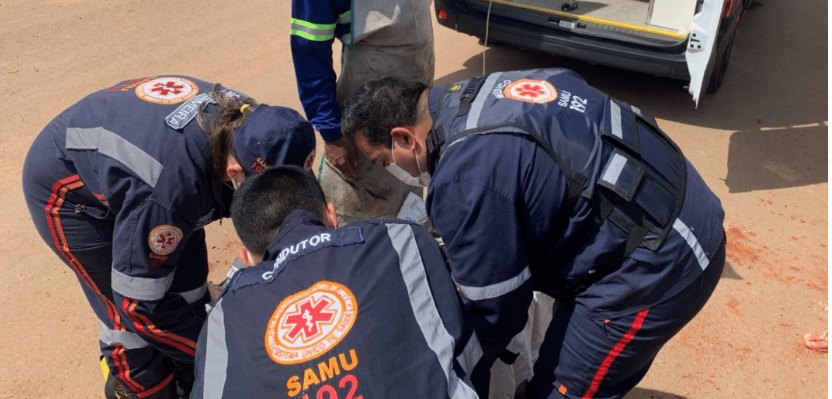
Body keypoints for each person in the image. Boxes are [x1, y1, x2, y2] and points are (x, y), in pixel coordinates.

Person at [343, 69, 727, 399]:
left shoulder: (464, 177)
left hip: (663, 262)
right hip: (676, 200)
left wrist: (448, 370)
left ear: (405, 138)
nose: (391, 169)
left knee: (564, 388)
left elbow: (497, 312)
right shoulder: (486, 88)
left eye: (384, 160)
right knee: (567, 352)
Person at [22, 75, 316, 399]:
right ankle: (140, 389)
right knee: (131, 315)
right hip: (69, 190)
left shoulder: (261, 132)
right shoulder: (172, 193)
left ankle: (194, 380)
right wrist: (228, 358)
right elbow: (138, 305)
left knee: (190, 293)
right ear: (235, 173)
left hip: (153, 175)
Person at [190, 166, 479, 398]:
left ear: (247, 259)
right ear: (330, 215)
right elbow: (462, 342)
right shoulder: (400, 240)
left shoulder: (222, 319)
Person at [290, 0, 434, 224]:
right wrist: (332, 134)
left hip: (417, 96)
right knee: (358, 217)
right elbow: (309, 50)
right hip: (366, 108)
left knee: (411, 189)